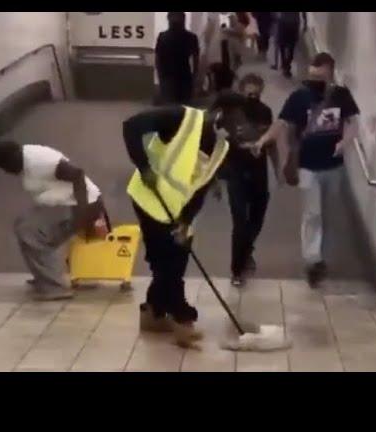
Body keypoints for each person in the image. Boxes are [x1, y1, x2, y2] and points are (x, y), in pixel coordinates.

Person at [122, 93, 251, 347]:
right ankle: (182, 319)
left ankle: (153, 313)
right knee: (167, 261)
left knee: (177, 257)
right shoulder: (180, 117)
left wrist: (186, 220)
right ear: (222, 112)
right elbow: (131, 126)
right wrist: (144, 166)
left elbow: (200, 187)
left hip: (177, 210)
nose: (241, 127)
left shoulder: (221, 147)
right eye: (239, 120)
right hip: (150, 198)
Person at [252, 52, 360, 288]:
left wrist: (346, 141)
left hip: (334, 165)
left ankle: (323, 257)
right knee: (313, 214)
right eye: (312, 76)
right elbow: (281, 123)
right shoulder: (300, 97)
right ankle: (313, 259)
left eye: (320, 76)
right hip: (307, 165)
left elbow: (353, 121)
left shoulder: (341, 95)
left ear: (331, 73)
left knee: (329, 214)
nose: (315, 81)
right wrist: (262, 140)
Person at [0, 141, 107, 301]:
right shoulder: (24, 160)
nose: (6, 172)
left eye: (5, 167)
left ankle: (54, 286)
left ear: (12, 159)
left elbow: (77, 174)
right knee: (24, 225)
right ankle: (45, 276)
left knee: (31, 232)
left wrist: (82, 213)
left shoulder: (39, 160)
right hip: (64, 204)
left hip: (80, 205)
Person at [219, 74, 278, 287]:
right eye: (248, 91)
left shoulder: (265, 112)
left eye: (256, 91)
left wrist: (278, 170)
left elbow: (271, 142)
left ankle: (247, 248)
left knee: (257, 217)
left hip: (259, 174)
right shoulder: (231, 113)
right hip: (236, 173)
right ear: (241, 90)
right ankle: (237, 269)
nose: (252, 95)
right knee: (240, 222)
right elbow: (217, 142)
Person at [155, 12, 200, 105]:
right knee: (183, 107)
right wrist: (194, 77)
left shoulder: (163, 36)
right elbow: (196, 59)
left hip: (170, 76)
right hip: (182, 76)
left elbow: (158, 58)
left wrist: (160, 76)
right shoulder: (191, 37)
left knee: (171, 106)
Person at [276, 12, 301, 78]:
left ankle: (285, 65)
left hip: (284, 22)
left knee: (283, 46)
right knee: (290, 47)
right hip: (292, 23)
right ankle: (286, 65)